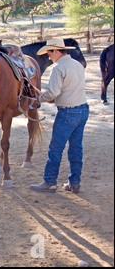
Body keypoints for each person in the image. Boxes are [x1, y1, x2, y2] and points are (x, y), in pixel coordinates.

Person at [30, 38, 89, 194]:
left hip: (67, 112)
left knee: (56, 149)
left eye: (49, 54)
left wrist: (38, 98)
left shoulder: (58, 68)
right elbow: (68, 89)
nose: (49, 57)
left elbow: (53, 93)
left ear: (55, 51)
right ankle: (74, 182)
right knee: (76, 148)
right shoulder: (77, 65)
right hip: (82, 110)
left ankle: (49, 182)